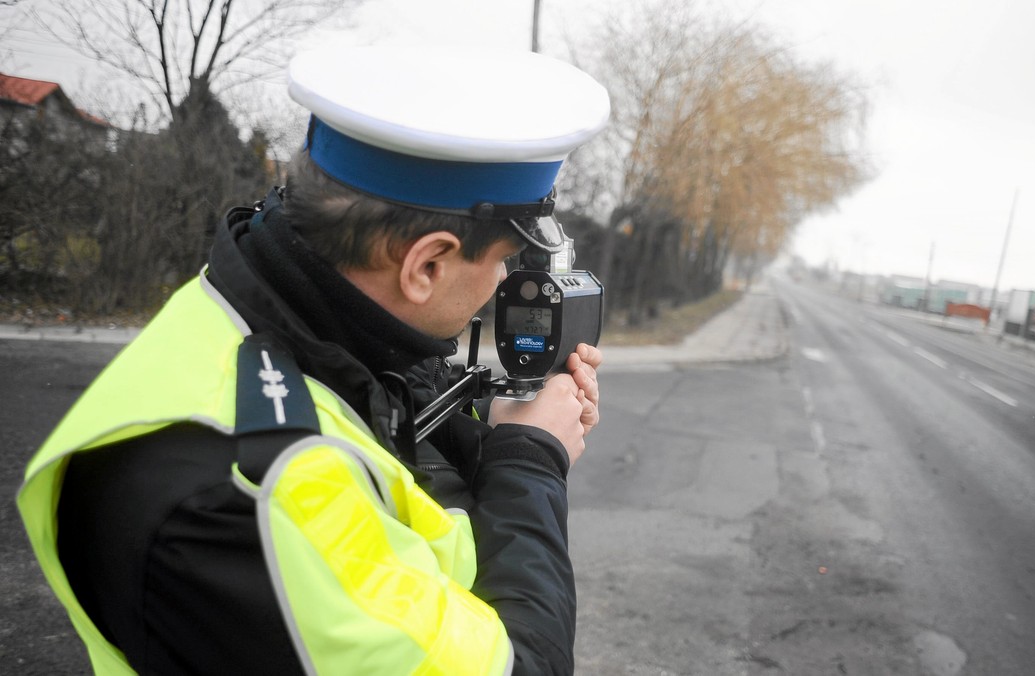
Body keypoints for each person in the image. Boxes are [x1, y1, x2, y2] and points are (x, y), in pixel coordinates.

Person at [18, 42, 611, 675]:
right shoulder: (261, 496)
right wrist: (530, 462)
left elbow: (379, 436)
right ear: (425, 265)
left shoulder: (258, 304)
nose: (500, 285)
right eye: (500, 261)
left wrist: (490, 424)